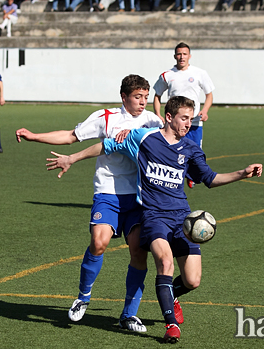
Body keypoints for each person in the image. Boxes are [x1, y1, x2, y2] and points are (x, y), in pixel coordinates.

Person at [45, 95, 263, 344]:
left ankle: (172, 295)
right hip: (153, 217)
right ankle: (171, 325)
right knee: (165, 263)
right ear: (169, 117)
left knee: (192, 280)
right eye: (184, 119)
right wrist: (71, 158)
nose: (188, 125)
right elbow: (106, 146)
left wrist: (242, 173)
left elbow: (210, 179)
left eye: (191, 119)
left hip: (182, 218)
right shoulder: (144, 138)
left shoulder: (191, 148)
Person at [15, 74, 164, 333]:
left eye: (146, 97)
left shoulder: (153, 121)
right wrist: (35, 136)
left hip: (138, 196)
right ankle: (83, 297)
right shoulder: (106, 118)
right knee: (98, 242)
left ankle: (129, 315)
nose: (143, 102)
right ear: (124, 97)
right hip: (107, 192)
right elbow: (72, 136)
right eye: (137, 97)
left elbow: (166, 142)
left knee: (138, 252)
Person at [153, 42, 214, 149]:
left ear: (189, 56)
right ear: (175, 56)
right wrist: (157, 114)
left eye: (185, 54)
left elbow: (209, 95)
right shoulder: (167, 75)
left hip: (194, 123)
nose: (182, 57)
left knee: (194, 156)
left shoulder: (200, 73)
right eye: (179, 54)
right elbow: (157, 95)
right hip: (173, 124)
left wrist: (205, 111)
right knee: (172, 154)